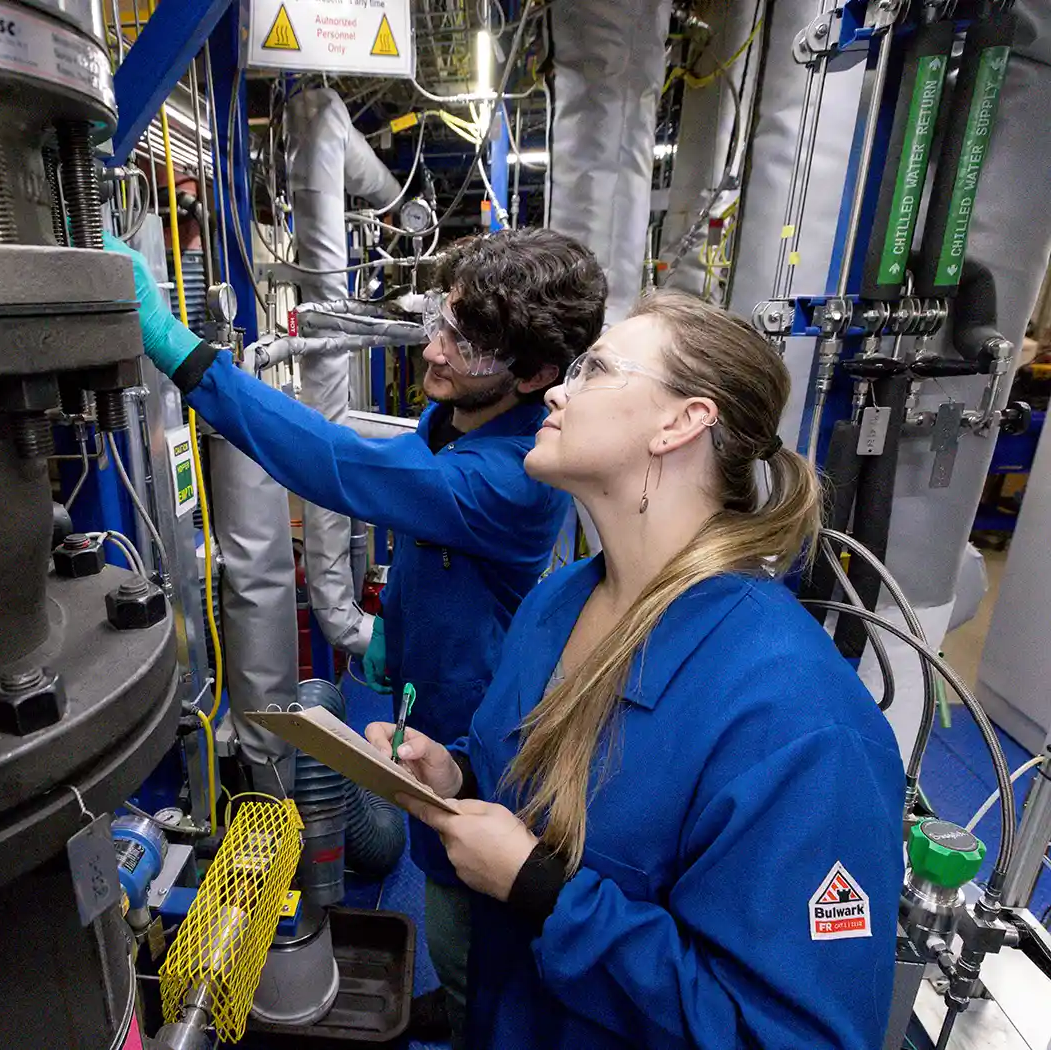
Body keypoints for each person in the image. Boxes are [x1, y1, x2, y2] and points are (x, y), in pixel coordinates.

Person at [106, 228, 607, 1042]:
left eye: (468, 342)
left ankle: (476, 1007)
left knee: (461, 891)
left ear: (537, 375)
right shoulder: (456, 419)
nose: (436, 351)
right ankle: (457, 987)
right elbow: (426, 537)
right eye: (443, 321)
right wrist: (393, 630)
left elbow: (338, 466)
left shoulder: (510, 478)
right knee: (433, 865)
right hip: (431, 690)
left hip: (483, 726)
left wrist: (180, 351)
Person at [367, 292, 905, 1048]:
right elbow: (536, 785)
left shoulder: (799, 723)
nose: (556, 389)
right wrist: (459, 778)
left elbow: (789, 1035)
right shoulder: (560, 600)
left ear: (682, 421)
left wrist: (544, 895)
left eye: (595, 370)